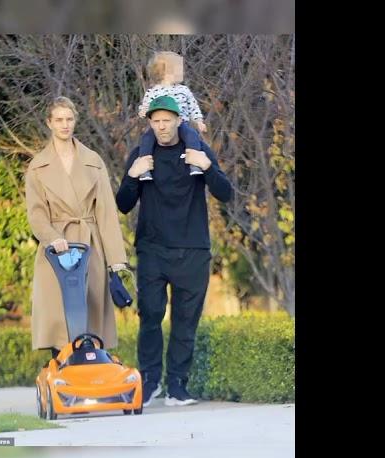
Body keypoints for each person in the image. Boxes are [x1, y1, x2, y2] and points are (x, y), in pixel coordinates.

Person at [116, 95, 234, 407]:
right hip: (153, 249)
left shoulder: (197, 151)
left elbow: (226, 193)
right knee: (151, 315)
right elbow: (123, 204)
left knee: (185, 320)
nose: (162, 126)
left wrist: (207, 167)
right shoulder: (140, 155)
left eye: (167, 120)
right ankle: (150, 381)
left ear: (179, 120)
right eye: (156, 121)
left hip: (193, 249)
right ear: (150, 123)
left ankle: (177, 387)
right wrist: (131, 175)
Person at [25, 96, 128, 359]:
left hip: (89, 245)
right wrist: (52, 238)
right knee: (59, 318)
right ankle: (61, 376)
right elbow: (36, 215)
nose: (64, 125)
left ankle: (91, 379)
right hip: (55, 251)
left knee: (90, 316)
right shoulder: (37, 166)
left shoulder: (93, 161)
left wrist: (116, 260)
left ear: (75, 121)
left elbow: (106, 213)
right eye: (59, 120)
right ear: (49, 123)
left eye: (69, 119)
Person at [137, 50, 207, 180]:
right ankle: (144, 169)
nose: (182, 72)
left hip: (182, 124)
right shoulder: (153, 91)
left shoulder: (183, 90)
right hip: (160, 126)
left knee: (192, 135)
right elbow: (145, 106)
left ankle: (194, 165)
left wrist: (198, 121)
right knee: (147, 139)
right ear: (166, 71)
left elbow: (193, 106)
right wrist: (142, 111)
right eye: (179, 68)